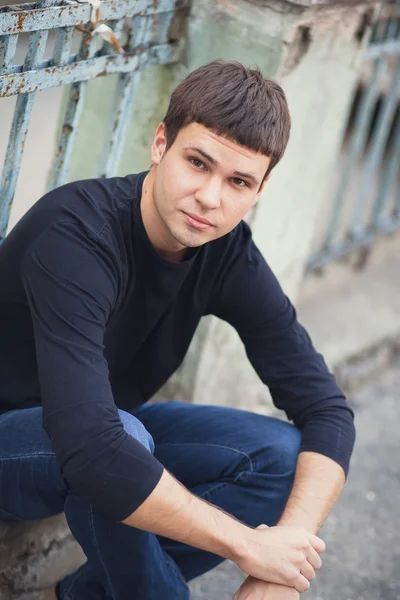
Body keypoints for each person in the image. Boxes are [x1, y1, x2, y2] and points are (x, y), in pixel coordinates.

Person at [0, 60, 355, 600]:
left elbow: (326, 409)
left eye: (238, 181)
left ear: (259, 189)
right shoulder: (75, 235)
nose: (211, 198)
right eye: (198, 163)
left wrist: (278, 564)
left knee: (279, 458)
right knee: (122, 446)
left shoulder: (226, 252)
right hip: (15, 445)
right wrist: (246, 545)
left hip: (101, 431)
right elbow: (93, 448)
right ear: (161, 144)